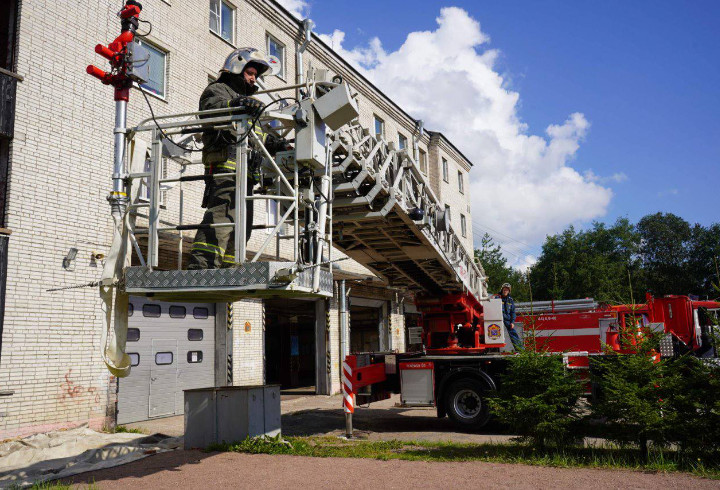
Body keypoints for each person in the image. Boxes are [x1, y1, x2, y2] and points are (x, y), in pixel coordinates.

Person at [188, 47, 285, 270]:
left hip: (245, 176)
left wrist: (275, 143)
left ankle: (229, 268)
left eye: (256, 76)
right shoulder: (218, 90)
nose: (254, 79)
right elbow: (210, 111)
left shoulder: (249, 106)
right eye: (250, 73)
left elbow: (258, 136)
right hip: (224, 167)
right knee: (221, 218)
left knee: (243, 226)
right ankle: (201, 268)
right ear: (236, 68)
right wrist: (236, 105)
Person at [499, 283, 522, 351]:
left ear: (509, 291)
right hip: (498, 318)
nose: (505, 291)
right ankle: (493, 350)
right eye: (504, 289)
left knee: (513, 333)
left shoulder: (510, 300)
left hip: (507, 320)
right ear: (502, 290)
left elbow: (513, 312)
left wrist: (512, 322)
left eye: (507, 290)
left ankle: (520, 350)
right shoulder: (497, 297)